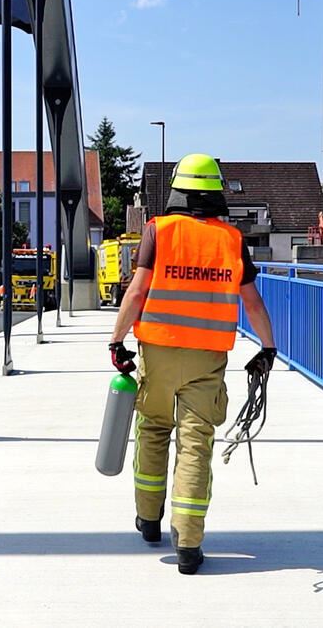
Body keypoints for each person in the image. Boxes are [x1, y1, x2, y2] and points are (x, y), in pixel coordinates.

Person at [108, 153, 277, 575]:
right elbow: (252, 302)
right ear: (217, 194)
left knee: (152, 432)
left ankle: (149, 521)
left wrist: (116, 339)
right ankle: (188, 543)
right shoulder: (231, 240)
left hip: (158, 351)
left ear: (178, 192)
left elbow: (137, 291)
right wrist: (268, 347)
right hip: (206, 360)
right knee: (194, 445)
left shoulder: (158, 230)